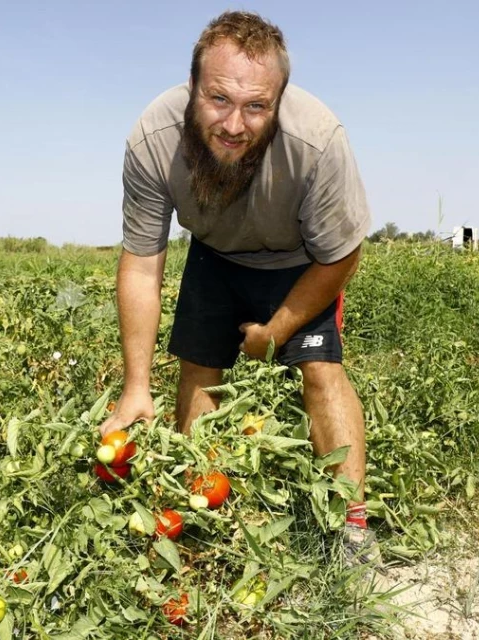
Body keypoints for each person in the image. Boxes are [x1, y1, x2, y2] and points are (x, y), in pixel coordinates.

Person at [100, 11, 378, 566]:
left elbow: (343, 254)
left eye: (257, 106)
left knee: (322, 373)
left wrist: (275, 332)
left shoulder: (317, 140)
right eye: (218, 98)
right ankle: (205, 507)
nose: (234, 123)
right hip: (215, 254)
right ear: (193, 87)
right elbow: (141, 265)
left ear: (278, 100)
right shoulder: (153, 139)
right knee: (200, 369)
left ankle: (352, 528)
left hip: (303, 262)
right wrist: (135, 385)